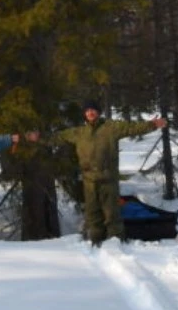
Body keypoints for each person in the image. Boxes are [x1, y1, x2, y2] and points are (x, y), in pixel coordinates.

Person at [29, 100, 167, 247]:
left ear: (98, 112)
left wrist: (152, 124)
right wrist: (39, 137)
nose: (90, 113)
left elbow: (132, 128)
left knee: (112, 215)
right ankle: (96, 244)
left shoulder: (111, 128)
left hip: (108, 179)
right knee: (93, 215)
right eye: (87, 110)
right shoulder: (79, 133)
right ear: (84, 114)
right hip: (89, 181)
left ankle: (116, 245)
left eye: (93, 110)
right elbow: (58, 137)